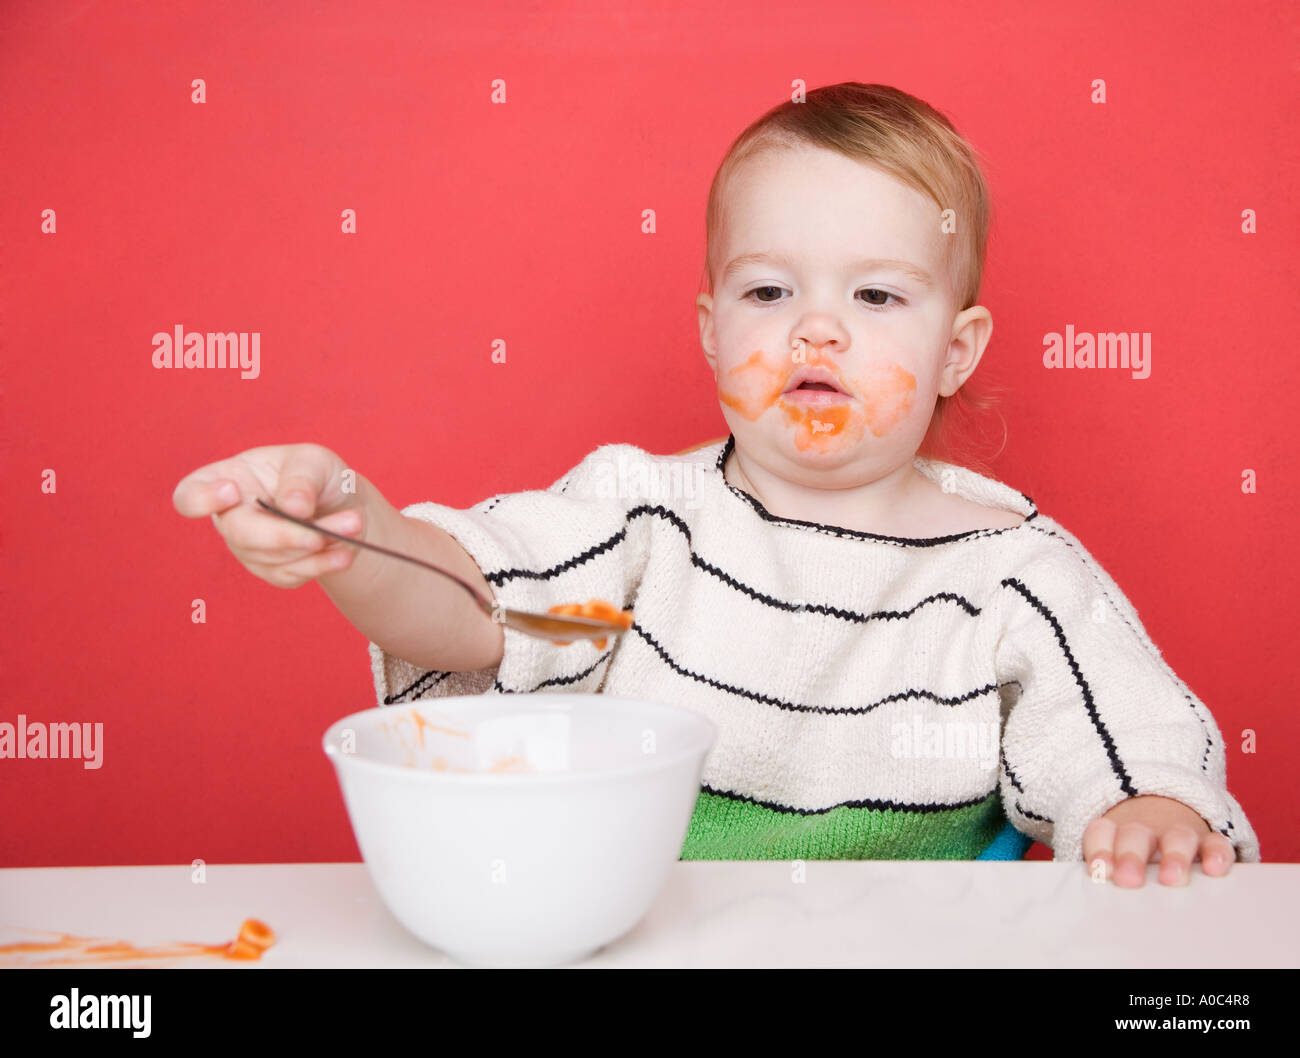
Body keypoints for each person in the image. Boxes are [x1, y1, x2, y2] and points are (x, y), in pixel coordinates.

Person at [173, 82, 1258, 884]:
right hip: (662, 930)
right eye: (770, 289)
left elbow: (1121, 727)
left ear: (957, 351)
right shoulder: (642, 522)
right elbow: (477, 608)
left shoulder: (1008, 568)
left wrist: (1147, 804)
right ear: (710, 327)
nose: (816, 325)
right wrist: (353, 526)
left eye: (877, 297)